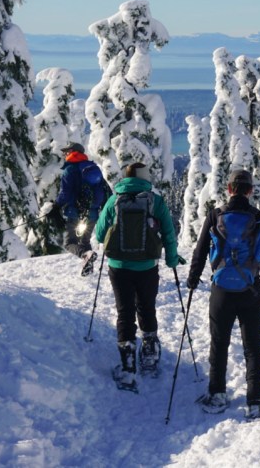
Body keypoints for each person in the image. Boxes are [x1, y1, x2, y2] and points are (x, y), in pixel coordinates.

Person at [187, 168, 260, 419]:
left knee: (219, 343)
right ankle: (256, 401)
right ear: (250, 191)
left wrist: (193, 279)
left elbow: (200, 252)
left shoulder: (214, 216)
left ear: (229, 189)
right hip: (250, 291)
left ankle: (217, 394)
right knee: (252, 346)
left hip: (221, 291)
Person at [95, 162, 183, 390]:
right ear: (145, 177)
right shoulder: (155, 201)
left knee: (125, 312)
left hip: (119, 266)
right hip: (147, 266)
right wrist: (171, 258)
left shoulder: (114, 200)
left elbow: (99, 233)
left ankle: (127, 368)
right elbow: (169, 233)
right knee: (146, 307)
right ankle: (150, 355)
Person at [49, 141, 106, 276]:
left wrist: (56, 206)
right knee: (85, 241)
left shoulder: (70, 170)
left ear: (72, 152)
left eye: (66, 151)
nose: (64, 154)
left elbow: (65, 194)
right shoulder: (93, 168)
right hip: (92, 214)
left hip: (75, 213)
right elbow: (104, 190)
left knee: (70, 243)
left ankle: (85, 256)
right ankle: (88, 269)